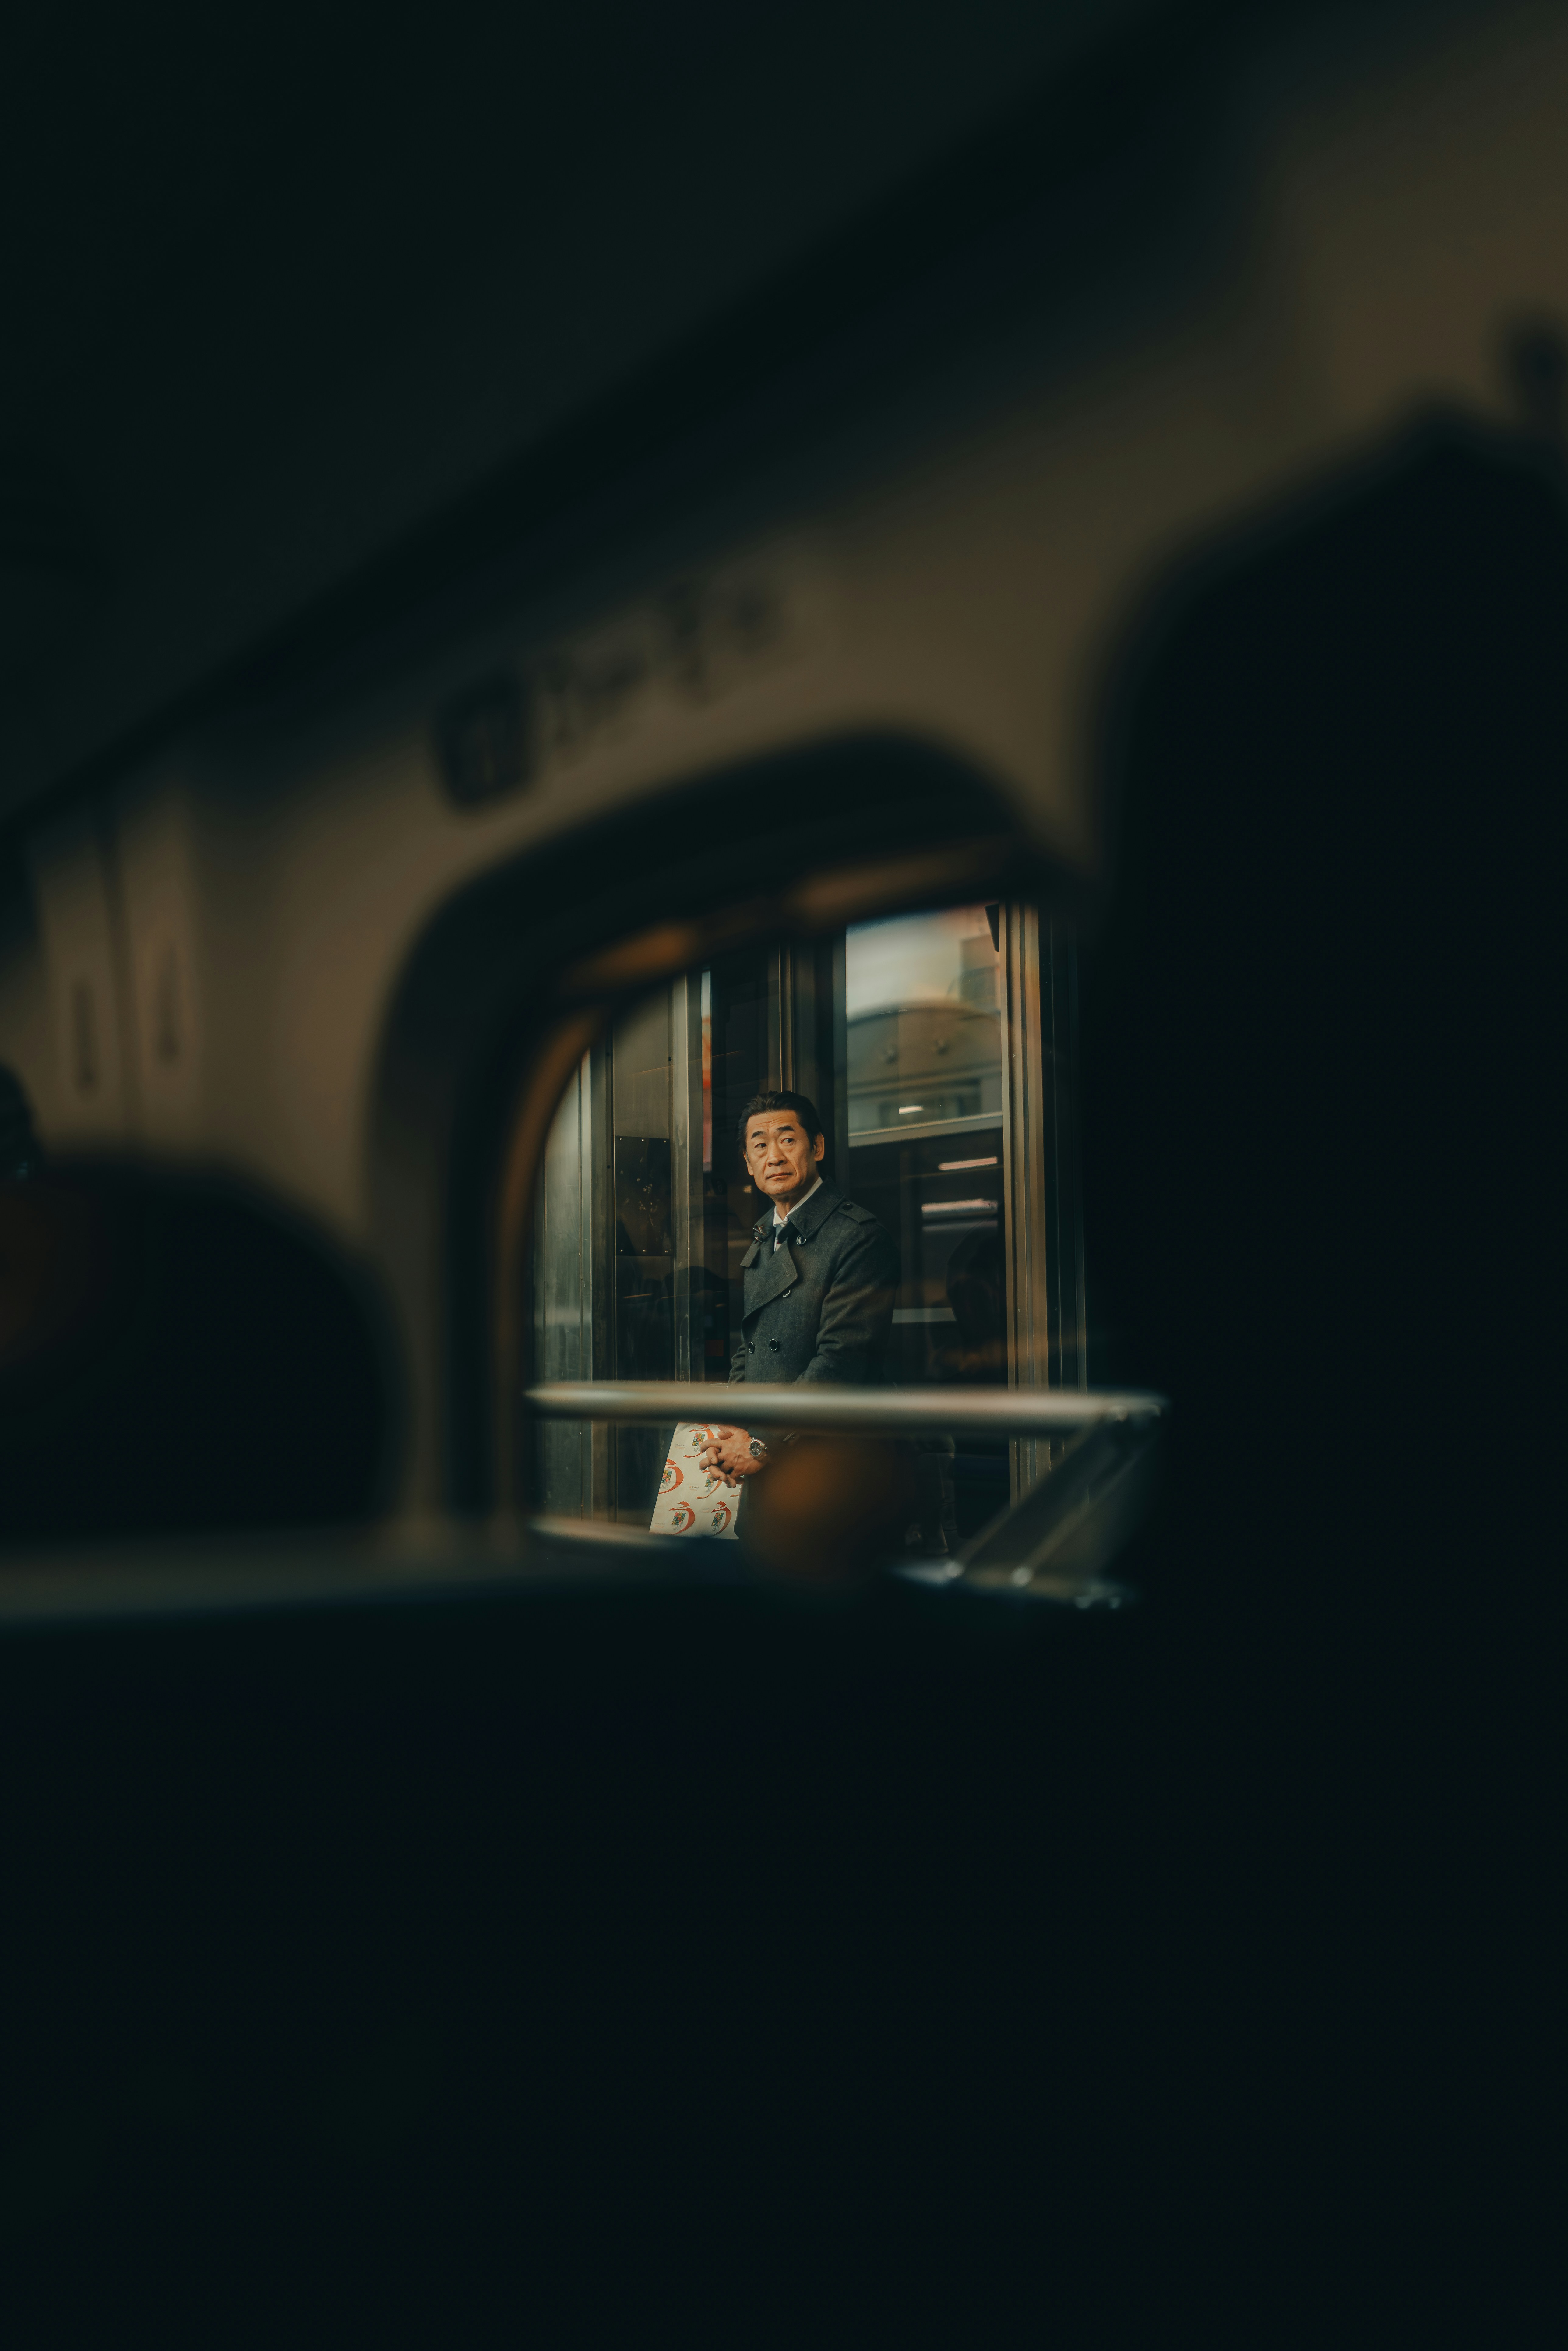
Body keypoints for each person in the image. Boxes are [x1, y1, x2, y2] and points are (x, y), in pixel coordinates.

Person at [698, 1090, 898, 1487]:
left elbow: (842, 1359)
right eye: (760, 1145)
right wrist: (735, 1431)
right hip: (764, 1451)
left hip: (825, 1459)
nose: (773, 1157)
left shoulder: (857, 1237)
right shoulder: (764, 1234)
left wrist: (763, 1443)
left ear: (817, 1147)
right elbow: (749, 1347)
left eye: (787, 1140)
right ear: (748, 1161)